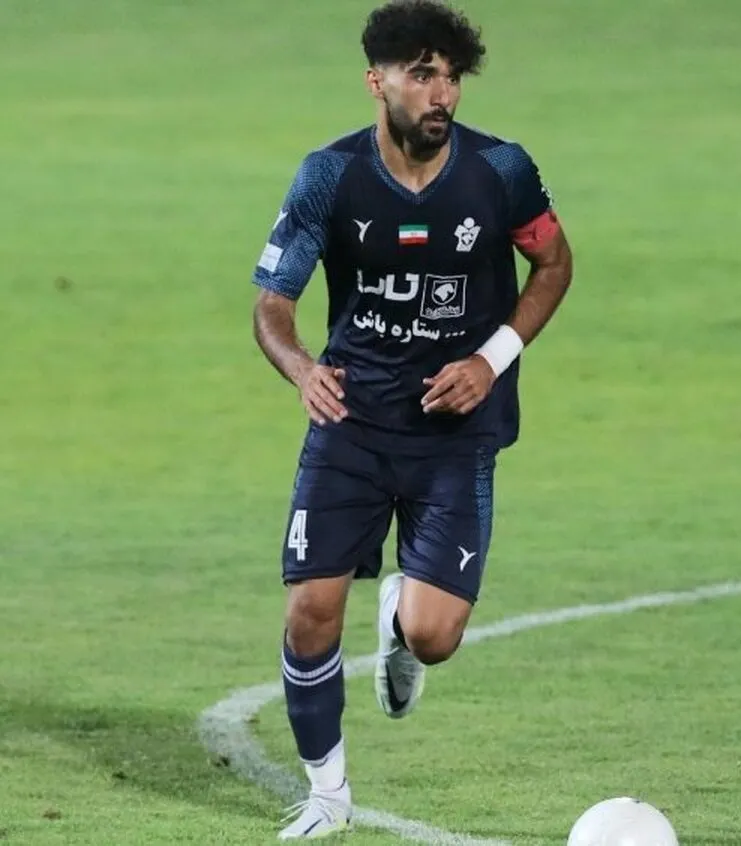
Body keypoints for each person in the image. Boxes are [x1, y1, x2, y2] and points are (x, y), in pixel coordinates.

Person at [249, 0, 573, 837]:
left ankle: (402, 619)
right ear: (377, 81)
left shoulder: (500, 171)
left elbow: (553, 263)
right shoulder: (330, 176)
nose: (442, 94)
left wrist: (490, 360)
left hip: (454, 437)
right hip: (352, 423)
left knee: (435, 638)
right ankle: (328, 795)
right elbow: (273, 304)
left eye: (452, 77)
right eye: (423, 74)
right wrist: (303, 369)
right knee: (310, 610)